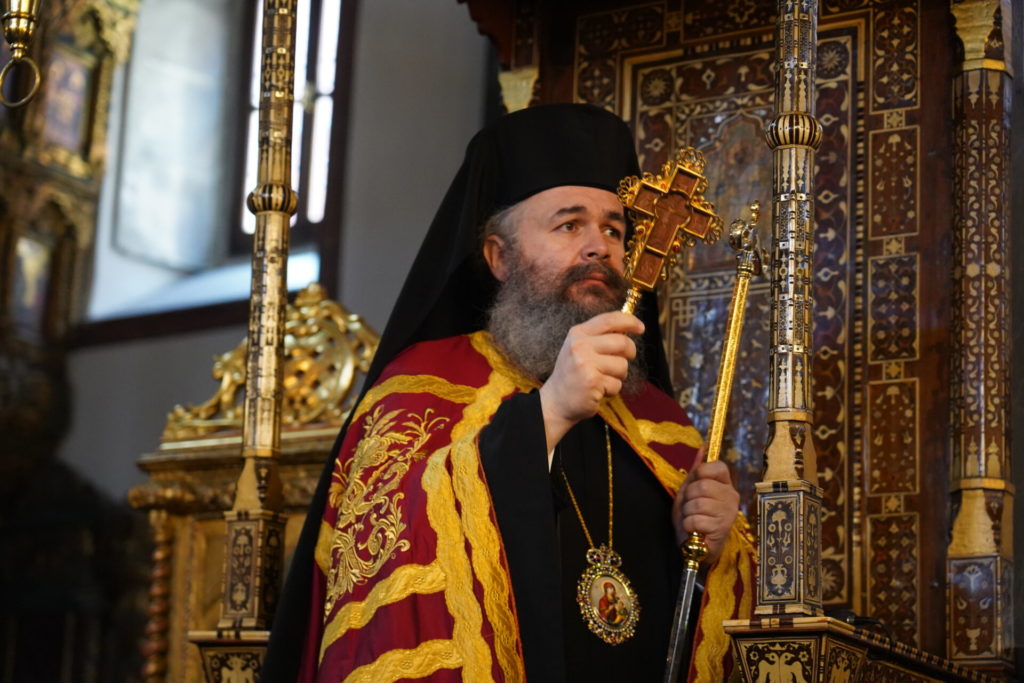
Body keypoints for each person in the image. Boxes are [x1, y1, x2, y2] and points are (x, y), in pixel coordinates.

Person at [264, 104, 755, 682]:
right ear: (500, 257)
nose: (599, 246)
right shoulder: (419, 389)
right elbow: (390, 559)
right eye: (569, 225)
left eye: (615, 229)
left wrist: (717, 545)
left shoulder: (659, 423)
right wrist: (548, 415)